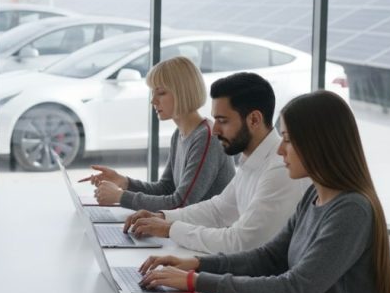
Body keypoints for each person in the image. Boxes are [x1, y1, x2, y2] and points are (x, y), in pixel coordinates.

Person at [139, 90, 390, 293]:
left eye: (288, 140)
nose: (280, 151)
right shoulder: (314, 196)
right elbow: (269, 256)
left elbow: (294, 289)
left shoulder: (351, 211)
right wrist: (196, 264)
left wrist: (196, 282)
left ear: (318, 143)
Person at [124, 72, 309, 253]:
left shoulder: (280, 168)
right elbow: (218, 210)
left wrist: (170, 229)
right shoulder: (253, 159)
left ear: (254, 119)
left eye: (223, 121)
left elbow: (241, 242)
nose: (215, 130)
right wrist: (162, 217)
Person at [79, 56, 233, 211]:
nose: (153, 100)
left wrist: (120, 196)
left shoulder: (206, 138)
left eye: (161, 92)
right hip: (189, 230)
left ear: (182, 92)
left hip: (208, 233)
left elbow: (180, 203)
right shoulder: (179, 134)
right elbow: (166, 188)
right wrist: (123, 182)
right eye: (153, 92)